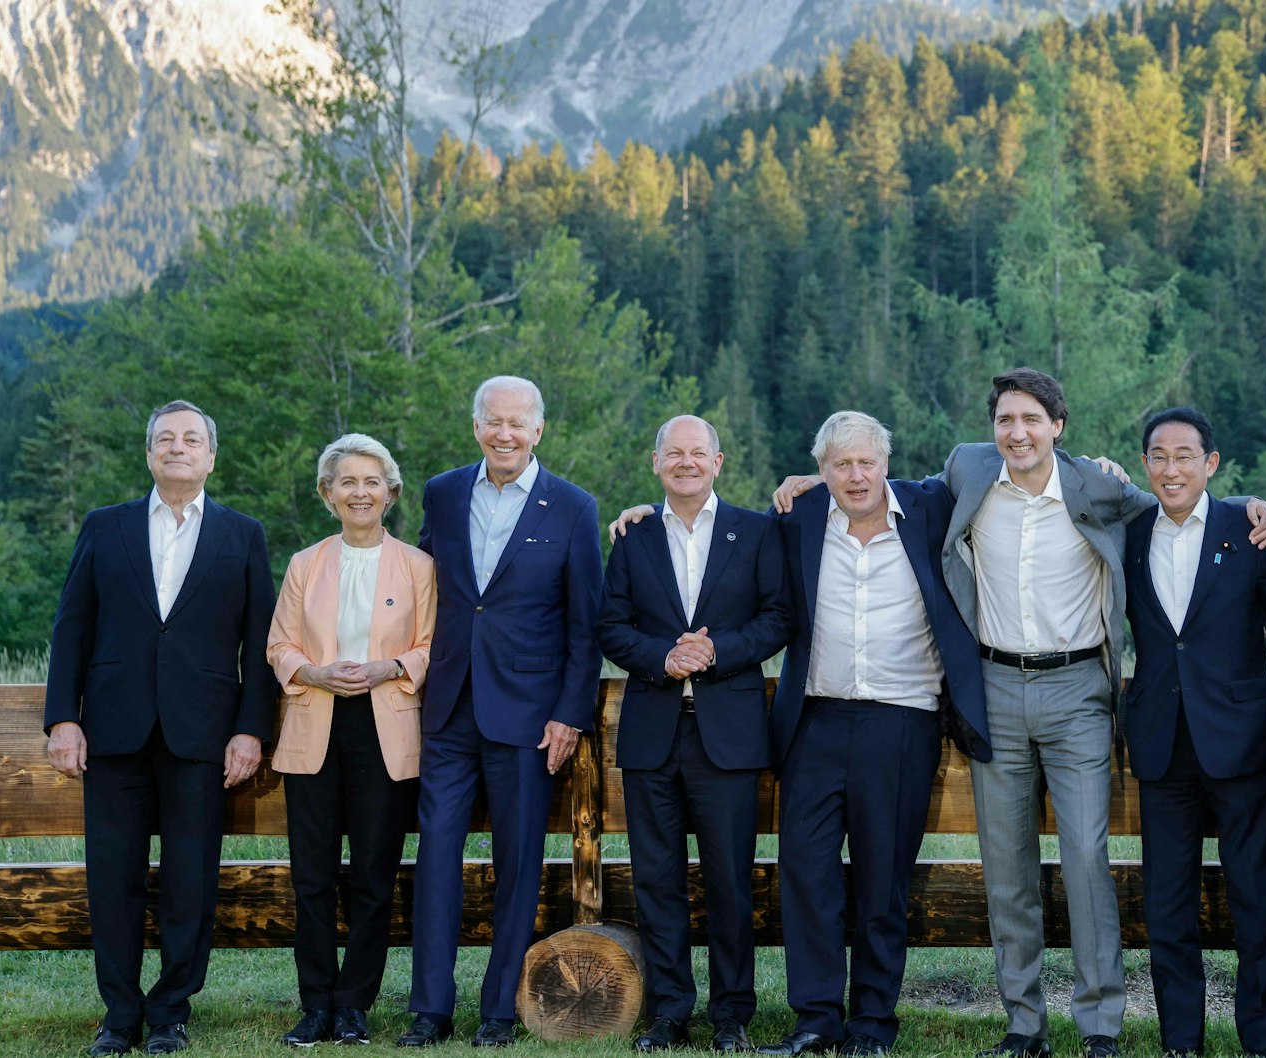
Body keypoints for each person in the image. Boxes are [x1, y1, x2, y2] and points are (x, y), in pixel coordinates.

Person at [773, 368, 1266, 1058]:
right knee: (1006, 866)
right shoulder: (968, 470)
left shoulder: (1097, 486)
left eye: (1031, 419)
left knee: (1086, 860)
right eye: (1006, 420)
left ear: (1057, 426)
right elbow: (890, 488)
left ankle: (1099, 1024)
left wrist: (1253, 504)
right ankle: (1024, 1024)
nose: (1017, 433)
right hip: (995, 688)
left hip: (1079, 694)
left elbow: (1178, 499)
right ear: (992, 428)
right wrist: (810, 484)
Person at [44, 399, 278, 1057]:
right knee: (112, 878)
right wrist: (64, 717)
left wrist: (250, 729)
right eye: (165, 439)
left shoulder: (243, 534)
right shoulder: (104, 526)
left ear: (210, 456)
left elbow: (259, 642)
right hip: (112, 733)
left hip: (203, 736)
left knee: (190, 878)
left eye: (191, 438)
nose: (178, 447)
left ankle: (171, 1011)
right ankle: (119, 1015)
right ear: (149, 454)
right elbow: (71, 628)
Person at [759, 411, 992, 1058]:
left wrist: (1103, 471)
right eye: (840, 464)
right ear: (823, 469)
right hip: (815, 719)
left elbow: (1000, 455)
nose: (856, 475)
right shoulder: (799, 517)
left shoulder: (929, 507)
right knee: (805, 873)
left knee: (883, 881)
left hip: (902, 720)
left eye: (866, 462)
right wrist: (643, 512)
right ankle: (814, 1020)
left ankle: (871, 1026)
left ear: (886, 463)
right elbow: (725, 539)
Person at [401, 376, 604, 1049]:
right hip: (448, 706)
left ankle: (497, 1010)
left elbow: (585, 625)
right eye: (493, 421)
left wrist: (569, 714)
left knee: (519, 866)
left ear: (539, 430)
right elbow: (422, 585)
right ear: (477, 426)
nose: (505, 433)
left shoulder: (573, 507)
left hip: (529, 716)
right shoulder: (443, 491)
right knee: (436, 859)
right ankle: (429, 1009)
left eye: (518, 422)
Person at [597, 416, 789, 1054]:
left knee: (730, 879)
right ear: (656, 463)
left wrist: (716, 652)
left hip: (728, 734)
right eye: (673, 453)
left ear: (718, 461)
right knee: (657, 879)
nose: (685, 462)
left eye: (697, 453)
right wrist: (663, 657)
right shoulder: (633, 534)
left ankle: (731, 1013)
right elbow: (611, 626)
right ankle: (671, 1011)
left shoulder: (757, 532)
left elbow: (777, 618)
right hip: (653, 732)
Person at [1123, 407, 1266, 1058]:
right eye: (1159, 456)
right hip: (1162, 743)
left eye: (1185, 455)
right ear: (1145, 466)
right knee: (1166, 906)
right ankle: (1180, 1042)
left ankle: (1261, 1042)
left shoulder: (1247, 528)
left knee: (1256, 898)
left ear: (1210, 464)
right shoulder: (1128, 531)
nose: (1171, 468)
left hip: (1241, 737)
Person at [266, 434, 435, 1047]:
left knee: (372, 872)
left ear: (390, 493)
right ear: (327, 493)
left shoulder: (418, 566)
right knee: (311, 874)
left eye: (372, 482)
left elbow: (431, 645)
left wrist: (388, 668)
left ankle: (354, 1004)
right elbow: (278, 644)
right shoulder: (304, 564)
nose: (359, 492)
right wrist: (313, 672)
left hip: (384, 730)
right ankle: (315, 1002)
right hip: (315, 722)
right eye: (347, 482)